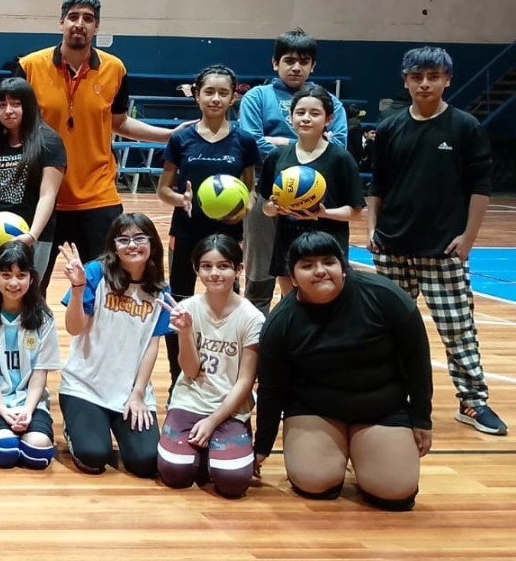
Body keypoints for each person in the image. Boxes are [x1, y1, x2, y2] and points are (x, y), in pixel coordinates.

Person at [367, 46, 504, 436]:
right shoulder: (390, 128)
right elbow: (377, 184)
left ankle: (472, 402)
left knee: (458, 329)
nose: (424, 84)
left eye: (433, 76)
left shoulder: (465, 127)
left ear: (448, 80)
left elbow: (480, 188)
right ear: (406, 80)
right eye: (416, 77)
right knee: (387, 330)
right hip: (393, 248)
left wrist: (469, 237)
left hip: (443, 249)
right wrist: (372, 228)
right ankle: (388, 397)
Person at [256, 232, 432, 511]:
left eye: (329, 262)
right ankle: (337, 452)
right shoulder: (281, 322)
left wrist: (422, 417)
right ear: (293, 277)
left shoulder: (385, 296)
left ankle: (365, 452)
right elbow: (271, 388)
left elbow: (417, 359)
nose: (320, 271)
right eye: (307, 265)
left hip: (382, 408)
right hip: (315, 409)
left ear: (343, 267)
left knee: (395, 492)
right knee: (315, 482)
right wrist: (262, 447)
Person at [19, 0, 172, 288]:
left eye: (88, 19)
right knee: (30, 287)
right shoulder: (30, 66)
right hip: (42, 197)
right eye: (73, 17)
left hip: (98, 196)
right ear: (61, 22)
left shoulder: (115, 69)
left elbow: (119, 122)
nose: (80, 24)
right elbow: (13, 119)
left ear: (97, 27)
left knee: (106, 288)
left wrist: (168, 135)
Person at [156, 64, 258, 384]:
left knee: (228, 306)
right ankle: (179, 377)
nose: (216, 98)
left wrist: (244, 209)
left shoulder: (244, 141)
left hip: (228, 236)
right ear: (197, 96)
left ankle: (229, 378)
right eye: (209, 92)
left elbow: (251, 192)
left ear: (232, 98)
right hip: (186, 233)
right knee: (179, 305)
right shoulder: (181, 139)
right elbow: (163, 190)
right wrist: (181, 200)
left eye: (223, 93)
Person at [238, 28, 349, 315]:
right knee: (260, 265)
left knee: (310, 259)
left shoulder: (331, 102)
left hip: (316, 194)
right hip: (266, 189)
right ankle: (259, 326)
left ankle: (312, 318)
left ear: (313, 66)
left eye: (304, 61)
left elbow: (338, 144)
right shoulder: (257, 97)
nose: (296, 67)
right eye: (289, 60)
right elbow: (251, 142)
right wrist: (301, 144)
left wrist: (281, 142)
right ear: (275, 62)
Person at [57, 213, 173, 477]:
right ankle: (75, 425)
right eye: (123, 240)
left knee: (146, 462)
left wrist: (138, 393)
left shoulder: (160, 290)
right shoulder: (95, 273)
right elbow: (74, 328)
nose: (132, 245)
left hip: (128, 391)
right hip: (85, 386)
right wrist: (78, 288)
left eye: (139, 238)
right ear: (114, 246)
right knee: (93, 456)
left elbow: (151, 346)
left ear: (153, 244)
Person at [158, 235, 262, 498]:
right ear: (197, 269)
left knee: (233, 483)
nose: (214, 273)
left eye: (223, 266)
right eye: (206, 266)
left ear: (239, 269)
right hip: (189, 401)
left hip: (230, 407)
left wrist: (213, 421)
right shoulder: (186, 309)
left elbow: (245, 381)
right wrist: (185, 332)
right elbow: (190, 372)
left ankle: (218, 449)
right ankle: (208, 453)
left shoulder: (252, 318)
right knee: (174, 474)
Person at [258, 84, 363, 296]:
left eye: (315, 113)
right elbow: (266, 208)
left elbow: (355, 212)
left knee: (328, 306)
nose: (306, 118)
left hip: (327, 247)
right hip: (288, 244)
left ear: (329, 119)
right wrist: (274, 208)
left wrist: (323, 213)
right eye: (300, 112)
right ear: (291, 118)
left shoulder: (340, 158)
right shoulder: (277, 156)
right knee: (292, 303)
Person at [0, 242, 60, 470]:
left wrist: (28, 410)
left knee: (38, 453)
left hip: (31, 401)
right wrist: (3, 411)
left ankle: (31, 429)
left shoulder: (44, 319)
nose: (14, 283)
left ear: (32, 278)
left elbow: (40, 372)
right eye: (6, 275)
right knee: (4, 452)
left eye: (21, 275)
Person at [0, 76, 65, 282]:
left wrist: (32, 236)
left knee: (28, 292)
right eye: (2, 105)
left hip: (32, 235)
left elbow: (48, 195)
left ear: (28, 106)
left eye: (15, 104)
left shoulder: (49, 141)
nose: (8, 111)